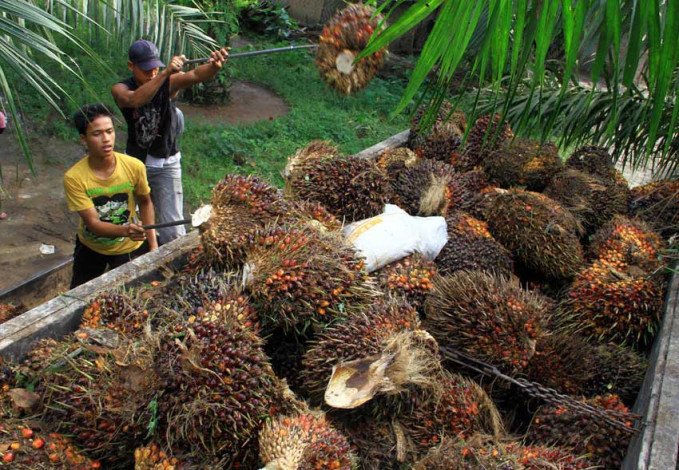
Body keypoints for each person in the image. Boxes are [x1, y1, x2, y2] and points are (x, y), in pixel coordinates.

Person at [111, 39, 228, 245]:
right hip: (136, 164)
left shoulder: (169, 81)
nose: (152, 73)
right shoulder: (121, 89)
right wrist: (165, 74)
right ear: (131, 66)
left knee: (173, 229)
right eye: (146, 69)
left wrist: (213, 66)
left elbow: (195, 75)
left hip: (167, 163)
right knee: (131, 221)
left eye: (156, 68)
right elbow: (136, 100)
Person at [64, 103, 158, 288]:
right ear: (84, 139)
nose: (106, 139)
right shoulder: (74, 177)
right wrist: (127, 230)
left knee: (132, 297)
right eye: (97, 134)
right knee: (79, 298)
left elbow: (145, 202)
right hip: (91, 247)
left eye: (109, 131)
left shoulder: (134, 166)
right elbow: (94, 224)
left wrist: (153, 245)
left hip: (129, 247)